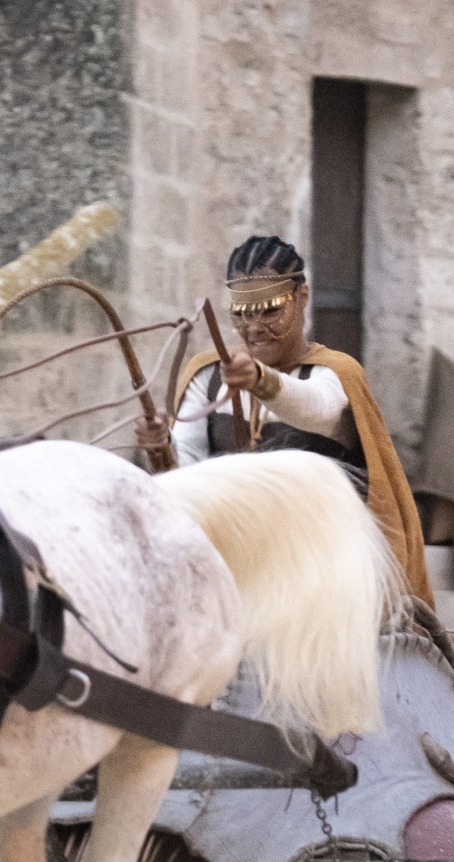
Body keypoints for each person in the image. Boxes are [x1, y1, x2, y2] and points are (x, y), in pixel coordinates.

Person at [172, 235, 432, 602]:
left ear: (302, 298)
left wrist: (262, 381)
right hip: (227, 557)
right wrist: (161, 453)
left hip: (317, 565)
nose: (255, 328)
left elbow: (317, 408)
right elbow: (187, 460)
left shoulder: (336, 373)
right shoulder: (207, 374)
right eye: (242, 314)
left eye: (270, 310)